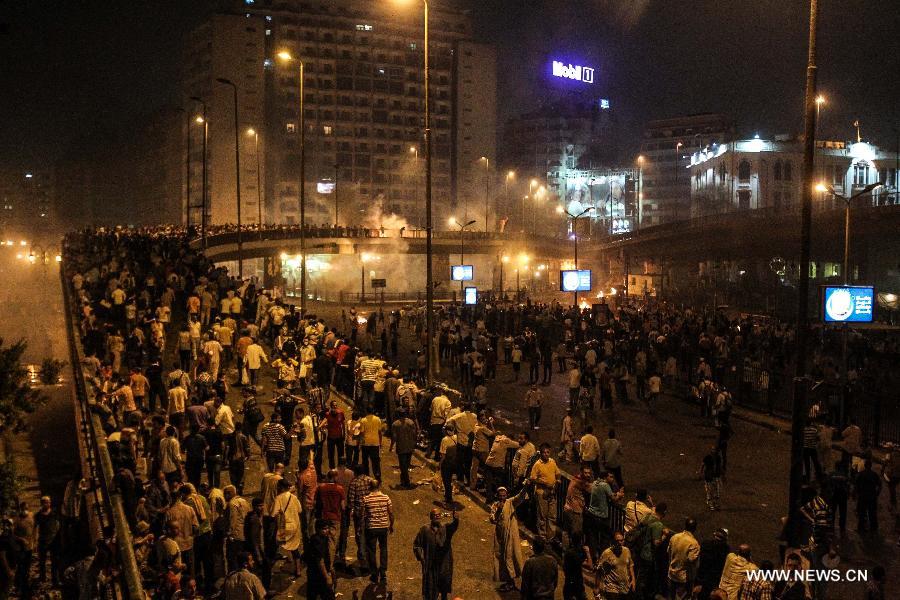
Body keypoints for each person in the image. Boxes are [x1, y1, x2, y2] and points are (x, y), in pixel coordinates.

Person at [413, 509, 460, 600]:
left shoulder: (446, 528)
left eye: (439, 515)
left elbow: (453, 526)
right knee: (430, 591)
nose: (437, 516)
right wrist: (422, 558)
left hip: (444, 565)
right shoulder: (424, 530)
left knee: (444, 590)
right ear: (431, 517)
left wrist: (456, 520)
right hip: (431, 565)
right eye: (435, 515)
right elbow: (417, 545)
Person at [490, 485, 529, 592]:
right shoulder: (495, 505)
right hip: (500, 536)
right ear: (497, 496)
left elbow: (520, 497)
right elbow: (492, 519)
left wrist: (525, 486)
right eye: (500, 496)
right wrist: (497, 511)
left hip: (510, 536)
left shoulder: (510, 503)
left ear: (506, 495)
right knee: (501, 558)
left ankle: (511, 582)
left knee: (509, 557)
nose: (502, 498)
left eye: (504, 496)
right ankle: (508, 581)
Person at [362, 478, 394, 584]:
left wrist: (360, 527)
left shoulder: (366, 499)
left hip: (371, 528)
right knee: (383, 549)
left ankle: (374, 573)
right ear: (379, 486)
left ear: (370, 487)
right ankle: (383, 572)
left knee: (371, 551)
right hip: (383, 527)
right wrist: (391, 525)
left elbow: (363, 515)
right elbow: (391, 513)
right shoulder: (386, 498)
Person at [273, 478, 303, 578]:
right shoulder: (294, 497)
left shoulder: (278, 498)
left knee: (278, 544)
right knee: (295, 548)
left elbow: (273, 513)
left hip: (285, 526)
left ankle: (278, 566)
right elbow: (299, 510)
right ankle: (298, 570)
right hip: (296, 525)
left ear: (281, 487)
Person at [530, 444, 561, 541]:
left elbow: (558, 474)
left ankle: (551, 537)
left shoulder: (552, 462)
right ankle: (542, 536)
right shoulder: (537, 464)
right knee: (542, 516)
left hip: (552, 492)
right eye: (544, 452)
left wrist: (557, 481)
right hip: (541, 493)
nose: (546, 454)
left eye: (548, 452)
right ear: (541, 453)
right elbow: (533, 479)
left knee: (552, 515)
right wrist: (544, 483)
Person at [595, 531, 635, 600]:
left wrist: (633, 579)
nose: (619, 543)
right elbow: (599, 570)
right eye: (617, 541)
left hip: (625, 587)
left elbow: (630, 565)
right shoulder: (607, 553)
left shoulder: (627, 551)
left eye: (621, 540)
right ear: (613, 541)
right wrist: (596, 587)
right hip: (612, 588)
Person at [667, 517, 700, 600]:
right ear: (695, 528)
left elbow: (668, 551)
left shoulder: (674, 537)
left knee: (671, 596)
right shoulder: (694, 543)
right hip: (683, 578)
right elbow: (691, 560)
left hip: (671, 573)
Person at [305, 520, 337, 600]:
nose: (327, 531)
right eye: (324, 529)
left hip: (318, 572)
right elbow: (320, 561)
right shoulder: (317, 541)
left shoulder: (324, 538)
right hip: (316, 573)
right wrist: (327, 577)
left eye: (327, 528)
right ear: (318, 529)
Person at [390, 408, 418, 488]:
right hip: (409, 446)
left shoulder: (395, 424)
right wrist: (414, 444)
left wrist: (391, 446)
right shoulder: (411, 422)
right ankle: (403, 481)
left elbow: (394, 437)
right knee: (406, 465)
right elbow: (414, 434)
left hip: (401, 447)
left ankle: (407, 482)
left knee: (403, 466)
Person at [855, 459, 882, 533]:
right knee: (872, 513)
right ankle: (873, 528)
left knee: (862, 513)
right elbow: (880, 485)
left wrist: (857, 493)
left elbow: (856, 485)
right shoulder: (874, 475)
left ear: (865, 465)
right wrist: (877, 493)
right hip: (872, 497)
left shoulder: (860, 474)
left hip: (863, 496)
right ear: (871, 466)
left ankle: (861, 528)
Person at [562, 531, 588, 600]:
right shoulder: (575, 553)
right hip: (575, 586)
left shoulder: (569, 552)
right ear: (581, 541)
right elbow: (590, 566)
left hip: (569, 584)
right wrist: (588, 552)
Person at [359, 409, 384, 480]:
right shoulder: (378, 419)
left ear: (366, 412)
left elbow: (362, 433)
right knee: (376, 461)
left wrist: (360, 443)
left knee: (365, 461)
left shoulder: (363, 420)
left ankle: (366, 476)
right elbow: (380, 432)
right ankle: (377, 476)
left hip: (366, 443)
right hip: (375, 443)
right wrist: (380, 442)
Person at [700, 445, 723, 511]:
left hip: (716, 476)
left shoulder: (718, 458)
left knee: (717, 491)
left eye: (715, 450)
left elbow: (719, 466)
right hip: (709, 477)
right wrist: (701, 472)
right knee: (709, 491)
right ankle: (710, 504)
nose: (714, 451)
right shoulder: (708, 458)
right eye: (713, 450)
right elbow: (702, 465)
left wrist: (722, 474)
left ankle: (716, 504)